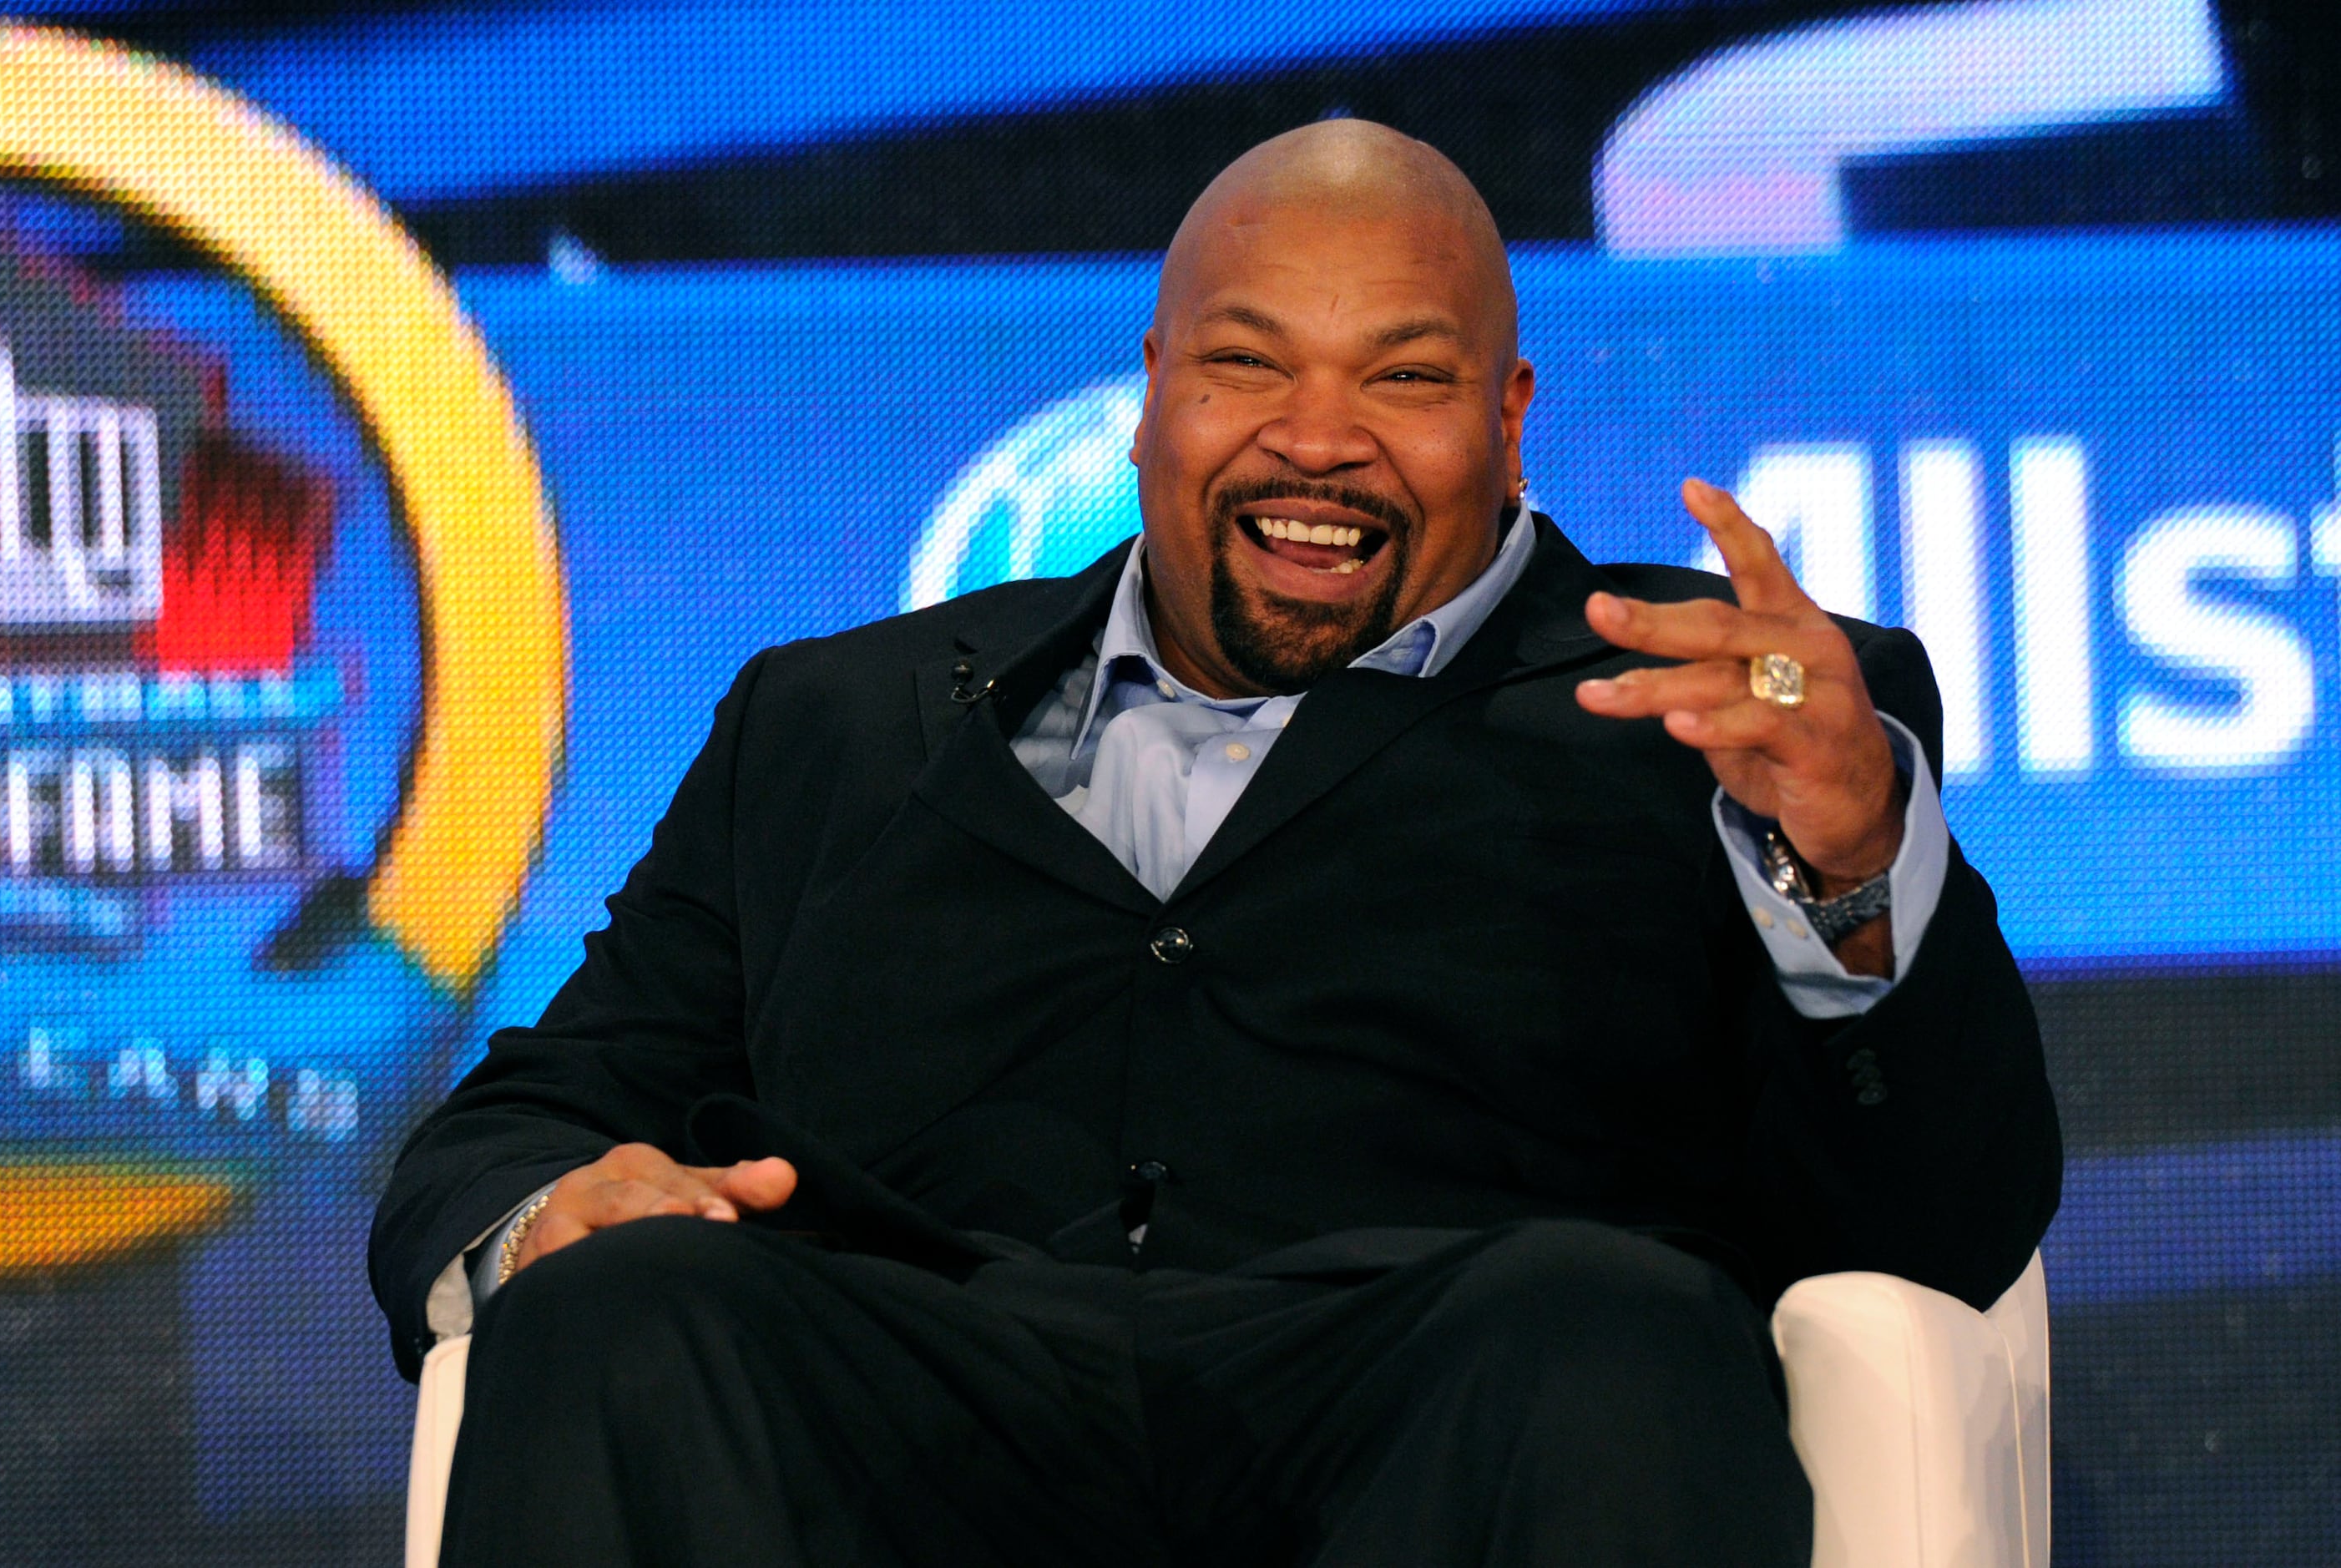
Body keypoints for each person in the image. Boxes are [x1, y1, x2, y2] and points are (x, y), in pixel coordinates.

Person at [371, 120, 2059, 1567]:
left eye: (1403, 376)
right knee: (615, 1314)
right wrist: (540, 1222)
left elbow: (1939, 1223)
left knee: (1600, 1331)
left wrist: (1850, 858)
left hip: (1449, 1398)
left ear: (1509, 413)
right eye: (1246, 363)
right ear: (1150, 396)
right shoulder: (834, 721)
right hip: (913, 1415)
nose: (1315, 438)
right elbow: (535, 1111)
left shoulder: (1721, 710)